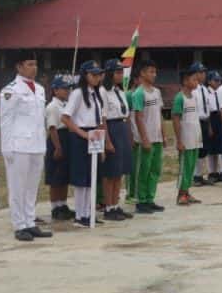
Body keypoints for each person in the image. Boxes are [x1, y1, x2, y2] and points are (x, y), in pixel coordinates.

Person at [0, 54, 53, 242]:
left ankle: (30, 222)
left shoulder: (39, 89)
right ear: (19, 67)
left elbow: (40, 119)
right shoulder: (10, 90)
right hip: (18, 145)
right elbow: (6, 120)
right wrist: (6, 147)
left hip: (37, 144)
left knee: (32, 187)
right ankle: (19, 225)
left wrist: (43, 143)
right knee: (17, 187)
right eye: (30, 64)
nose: (34, 68)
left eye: (36, 64)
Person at [61, 62, 106, 228]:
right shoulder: (78, 93)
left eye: (98, 74)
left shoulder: (96, 93)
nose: (96, 78)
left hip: (94, 135)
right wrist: (83, 134)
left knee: (92, 176)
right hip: (81, 136)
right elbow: (65, 118)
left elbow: (100, 119)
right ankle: (80, 215)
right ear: (85, 75)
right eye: (93, 74)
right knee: (81, 178)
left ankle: (88, 213)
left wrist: (100, 143)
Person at [129, 59, 166, 213]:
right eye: (150, 71)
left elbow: (160, 114)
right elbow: (138, 117)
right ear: (142, 73)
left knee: (155, 169)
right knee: (143, 170)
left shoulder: (156, 92)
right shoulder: (139, 93)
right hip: (145, 139)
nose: (154, 74)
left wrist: (163, 135)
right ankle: (140, 200)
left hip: (157, 137)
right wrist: (144, 138)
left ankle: (150, 198)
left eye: (155, 72)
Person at [99, 59, 133, 221]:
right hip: (111, 129)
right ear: (110, 74)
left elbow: (126, 113)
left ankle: (116, 204)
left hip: (122, 127)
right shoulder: (103, 92)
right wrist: (107, 140)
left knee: (119, 171)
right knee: (110, 172)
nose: (121, 75)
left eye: (121, 72)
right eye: (117, 72)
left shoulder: (119, 91)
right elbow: (103, 118)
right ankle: (108, 206)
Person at [172, 63, 204, 206]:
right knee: (184, 167)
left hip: (195, 138)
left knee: (191, 167)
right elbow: (176, 119)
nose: (196, 82)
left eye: (197, 80)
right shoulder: (180, 98)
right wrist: (179, 140)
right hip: (185, 139)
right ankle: (181, 195)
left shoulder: (193, 97)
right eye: (193, 80)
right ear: (185, 81)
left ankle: (187, 191)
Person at [44, 74, 73, 221]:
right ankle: (55, 206)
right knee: (55, 177)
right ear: (55, 90)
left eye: (68, 89)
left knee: (64, 176)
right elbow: (53, 128)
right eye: (63, 89)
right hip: (58, 139)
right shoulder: (52, 107)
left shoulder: (66, 105)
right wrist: (58, 147)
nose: (67, 91)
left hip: (67, 138)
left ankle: (63, 204)